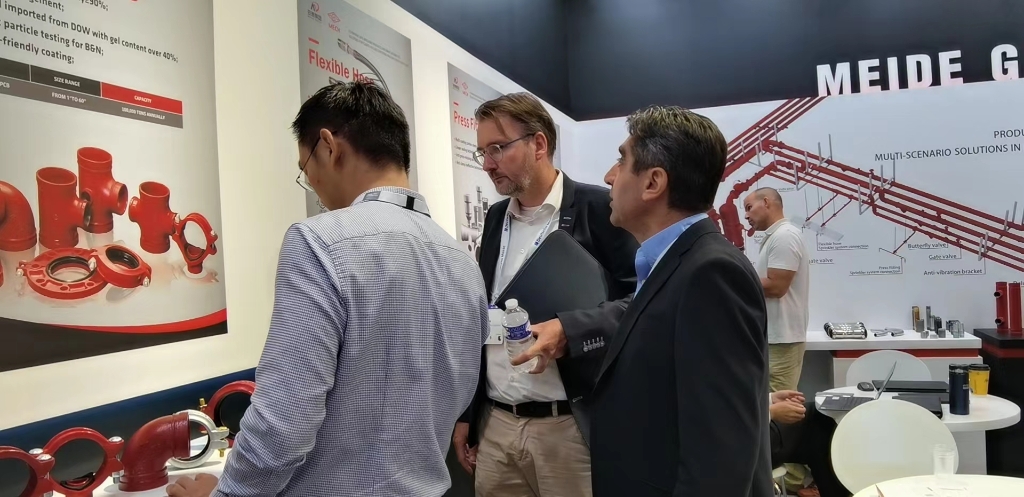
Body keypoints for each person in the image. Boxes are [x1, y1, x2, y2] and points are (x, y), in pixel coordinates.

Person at [167, 81, 488, 497]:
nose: (313, 185)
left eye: (305, 169)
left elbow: (283, 423)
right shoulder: (463, 262)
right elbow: (459, 393)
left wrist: (227, 493)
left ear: (329, 147)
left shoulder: (320, 242)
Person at [514, 105, 772, 496]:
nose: (609, 176)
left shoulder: (711, 273)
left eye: (622, 161)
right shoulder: (673, 264)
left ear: (653, 183)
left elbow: (721, 455)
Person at [452, 92, 638, 497]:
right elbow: (485, 315)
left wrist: (570, 330)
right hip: (497, 424)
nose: (487, 164)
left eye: (498, 148)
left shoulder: (599, 208)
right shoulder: (496, 217)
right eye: (482, 152)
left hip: (568, 427)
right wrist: (468, 414)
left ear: (539, 144)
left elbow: (639, 304)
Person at [744, 187, 810, 392]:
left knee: (780, 404)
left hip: (782, 340)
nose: (746, 215)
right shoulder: (776, 236)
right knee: (769, 402)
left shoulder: (785, 236)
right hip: (774, 338)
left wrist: (735, 280)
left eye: (749, 207)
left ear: (766, 202)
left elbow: (776, 287)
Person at [769, 391, 850, 497]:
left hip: (755, 429)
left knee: (821, 416)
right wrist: (770, 412)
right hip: (750, 443)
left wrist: (770, 399)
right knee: (818, 421)